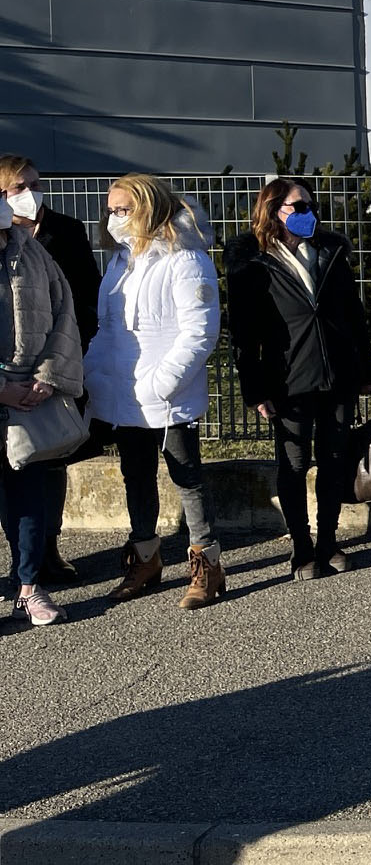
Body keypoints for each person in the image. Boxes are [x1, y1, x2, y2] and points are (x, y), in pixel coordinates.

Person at [225, 178, 371, 582]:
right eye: (298, 206)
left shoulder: (329, 253)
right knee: (294, 464)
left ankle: (329, 541)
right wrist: (254, 388)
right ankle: (302, 547)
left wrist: (367, 370)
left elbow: (354, 316)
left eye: (310, 204)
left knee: (333, 460)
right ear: (274, 210)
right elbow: (244, 333)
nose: (308, 212)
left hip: (338, 375)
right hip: (288, 379)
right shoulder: (254, 261)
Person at [85, 174, 224, 609]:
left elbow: (199, 333)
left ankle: (208, 565)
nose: (114, 218)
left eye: (122, 210)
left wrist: (162, 383)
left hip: (166, 394)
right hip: (122, 391)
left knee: (187, 478)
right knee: (136, 475)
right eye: (110, 210)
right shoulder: (121, 259)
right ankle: (145, 558)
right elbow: (107, 327)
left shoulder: (186, 259)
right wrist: (93, 373)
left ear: (148, 207)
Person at [0, 155, 100, 585]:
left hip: (49, 371)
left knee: (46, 464)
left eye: (35, 184)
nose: (31, 194)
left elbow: (78, 304)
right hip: (7, 380)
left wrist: (53, 374)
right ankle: (22, 562)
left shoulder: (64, 232)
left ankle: (45, 552)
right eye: (19, 187)